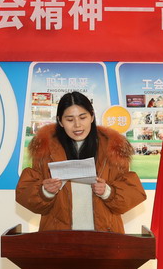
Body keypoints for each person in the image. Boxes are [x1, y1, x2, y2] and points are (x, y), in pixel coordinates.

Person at [16, 91, 146, 233]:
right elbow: (25, 195)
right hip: (58, 237)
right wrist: (45, 191)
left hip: (105, 236)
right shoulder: (45, 148)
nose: (77, 125)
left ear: (92, 116)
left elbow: (132, 193)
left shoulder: (112, 147)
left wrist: (108, 192)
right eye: (69, 119)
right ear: (60, 121)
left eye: (83, 117)